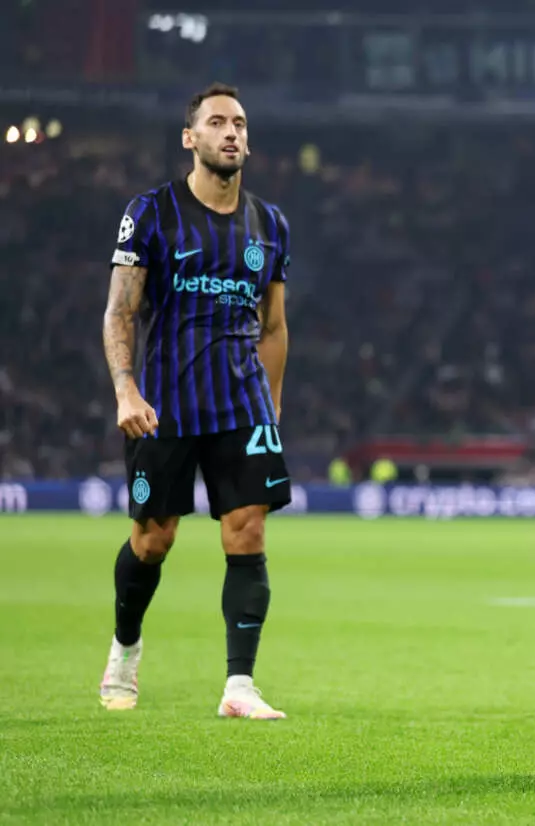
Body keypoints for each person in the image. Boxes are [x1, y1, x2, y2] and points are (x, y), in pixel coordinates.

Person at [99, 83, 291, 719]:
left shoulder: (270, 225)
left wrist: (274, 406)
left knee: (248, 531)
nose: (231, 132)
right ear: (191, 138)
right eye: (217, 122)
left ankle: (240, 686)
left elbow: (273, 326)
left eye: (239, 123)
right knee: (153, 541)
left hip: (242, 403)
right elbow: (120, 311)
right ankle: (126, 646)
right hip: (166, 405)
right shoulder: (151, 213)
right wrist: (125, 387)